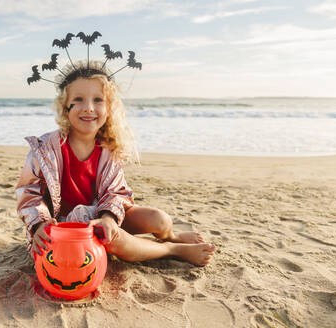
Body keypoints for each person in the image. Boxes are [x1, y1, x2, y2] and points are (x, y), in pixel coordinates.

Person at [16, 59, 215, 266]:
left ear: (110, 107)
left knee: (160, 219)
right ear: (65, 107)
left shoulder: (108, 150)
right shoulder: (46, 149)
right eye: (78, 99)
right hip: (60, 229)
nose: (89, 108)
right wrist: (39, 225)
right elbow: (29, 192)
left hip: (102, 215)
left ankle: (170, 237)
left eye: (98, 100)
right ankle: (171, 249)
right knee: (113, 239)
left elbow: (116, 192)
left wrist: (109, 219)